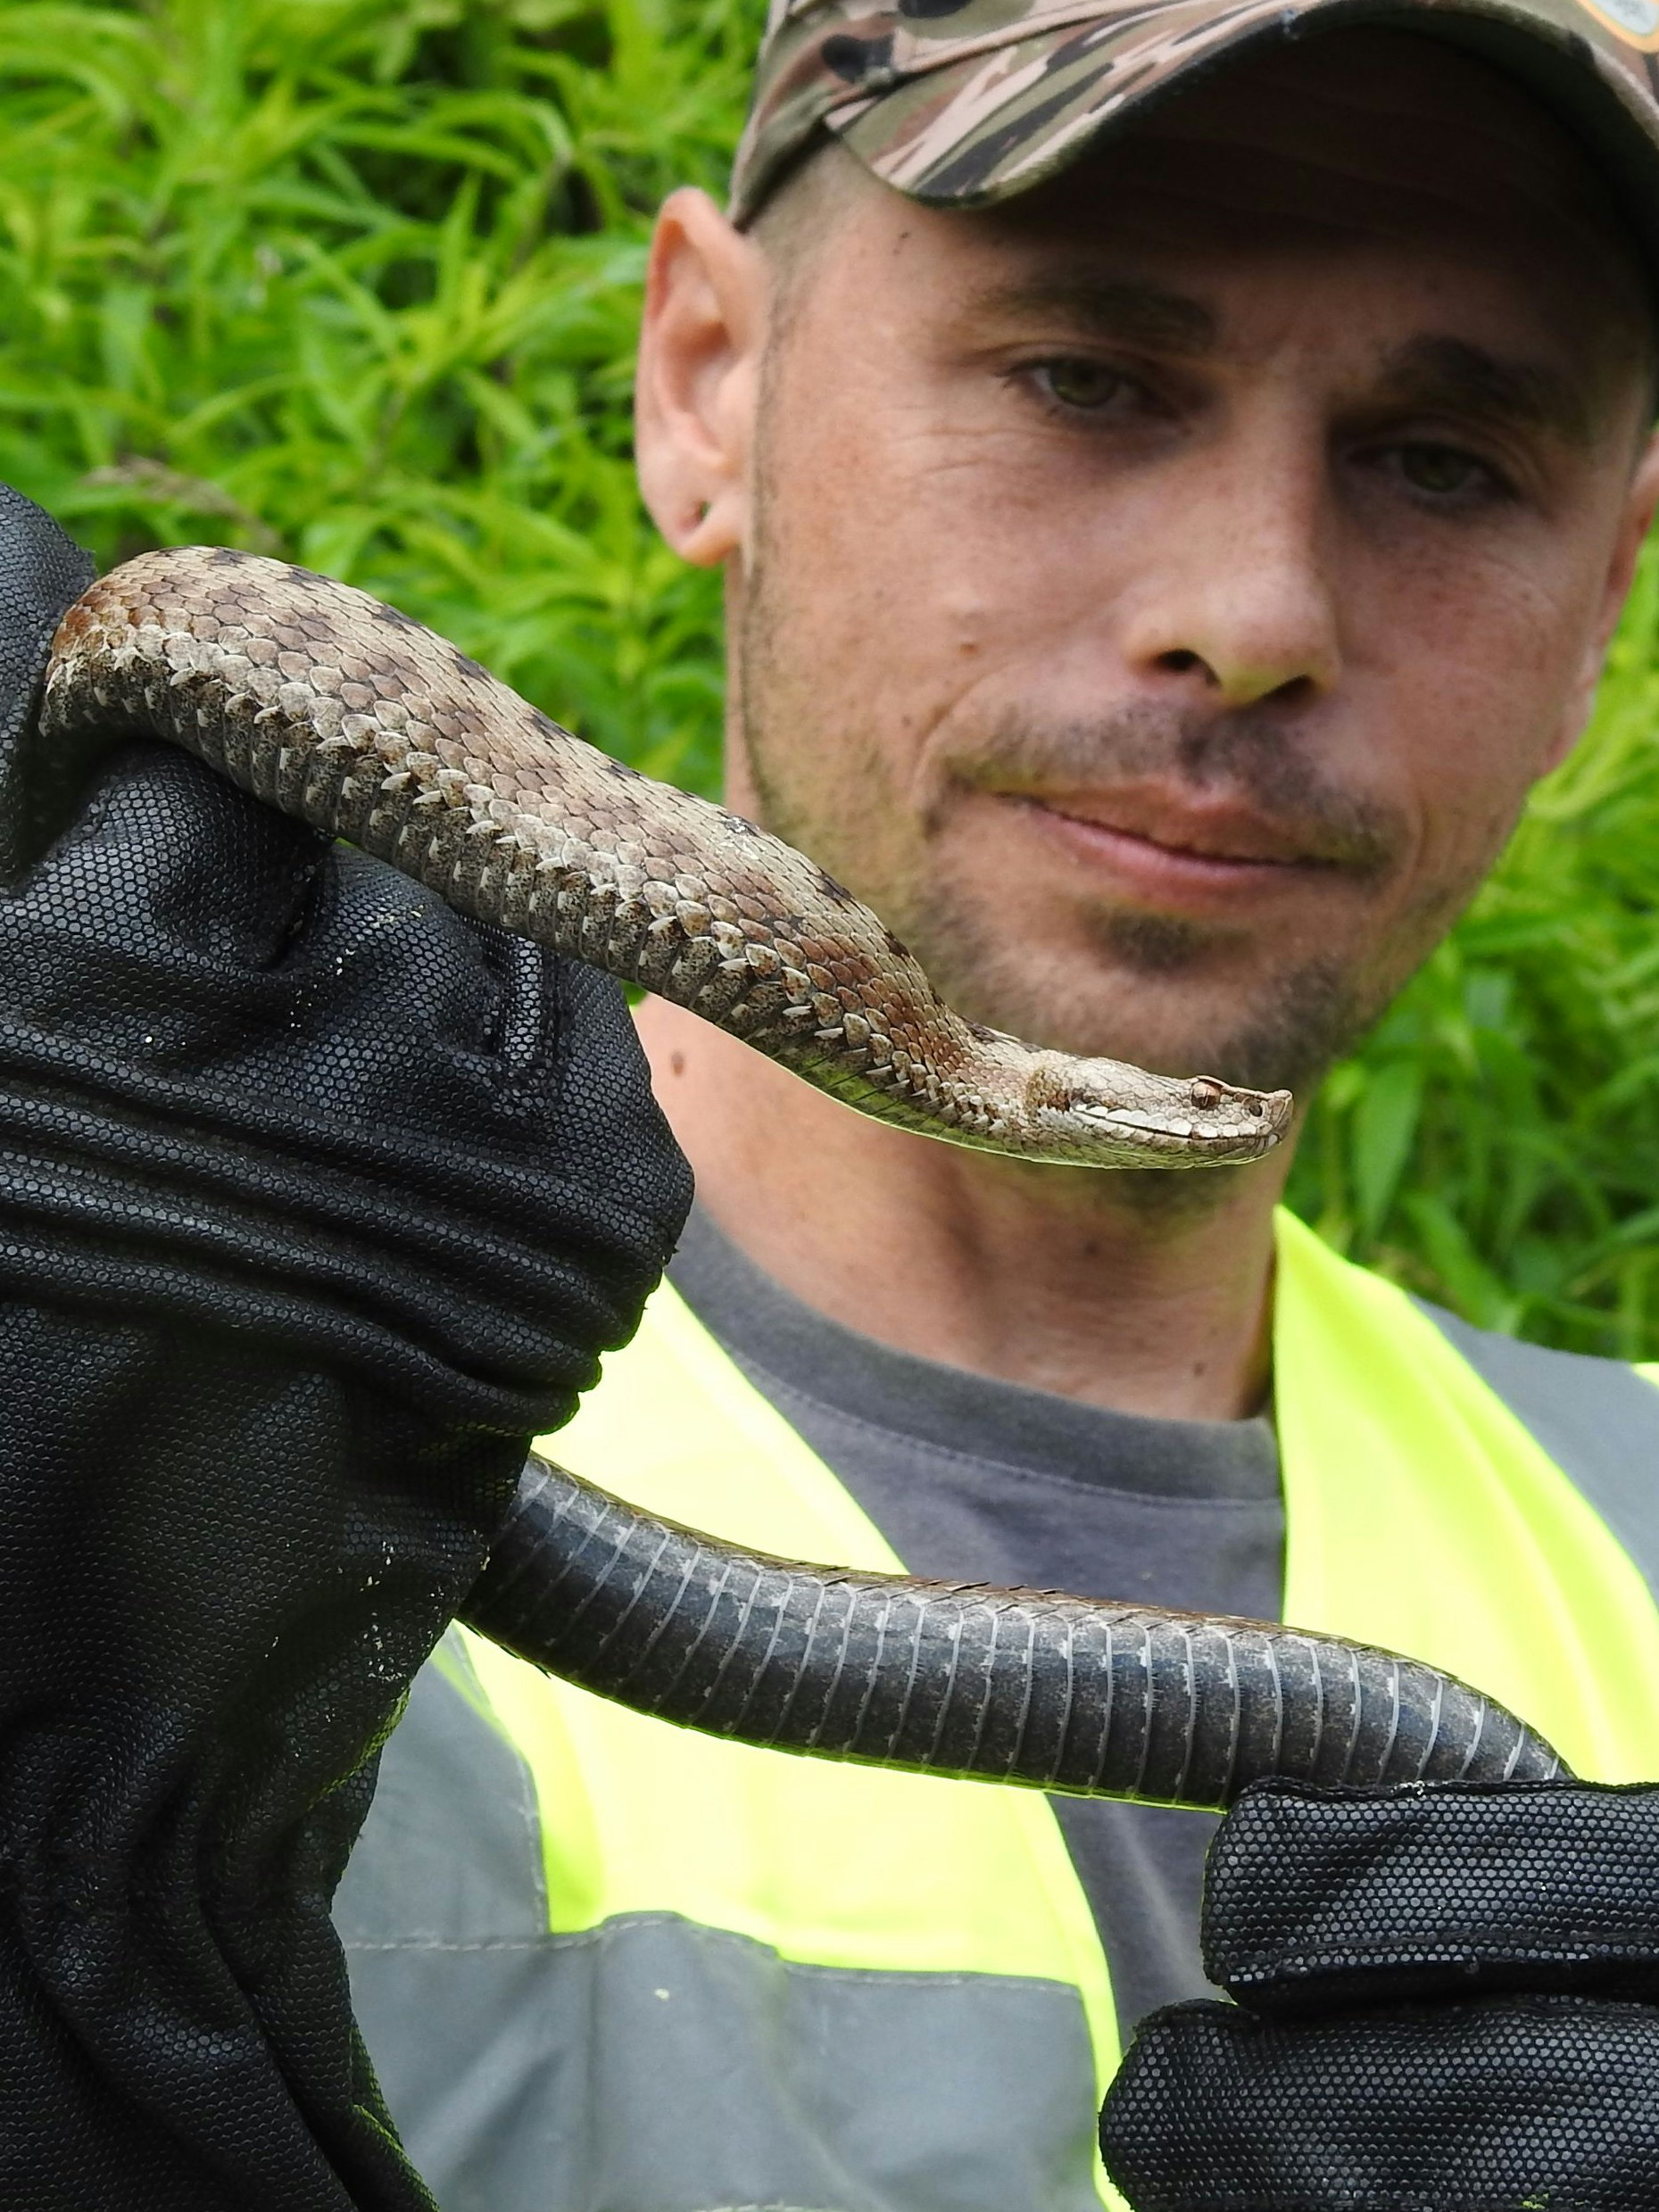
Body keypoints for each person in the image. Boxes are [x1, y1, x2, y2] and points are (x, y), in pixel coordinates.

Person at [306, 4, 1659, 2208]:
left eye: (1446, 462)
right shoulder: (174, 1426)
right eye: (1085, 379)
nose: (1254, 616)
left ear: (1606, 595)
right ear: (705, 383)